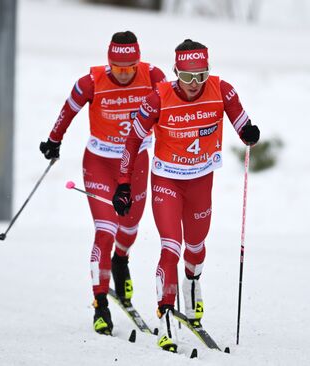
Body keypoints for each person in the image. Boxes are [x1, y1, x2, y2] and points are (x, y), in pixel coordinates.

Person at [112, 39, 260, 352]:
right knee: (171, 247)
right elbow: (133, 138)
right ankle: (166, 313)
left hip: (200, 181)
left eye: (201, 76)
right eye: (187, 77)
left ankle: (191, 287)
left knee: (196, 247)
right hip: (167, 181)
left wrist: (249, 132)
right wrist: (124, 181)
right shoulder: (158, 97)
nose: (194, 85)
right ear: (175, 72)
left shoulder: (222, 89)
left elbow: (240, 119)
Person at [39, 31, 166, 336]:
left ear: (138, 62)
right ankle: (100, 305)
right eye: (118, 68)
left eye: (129, 68)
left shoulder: (152, 76)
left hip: (136, 161)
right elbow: (67, 111)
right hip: (99, 162)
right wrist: (54, 140)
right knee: (106, 228)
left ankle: (120, 261)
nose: (124, 74)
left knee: (130, 226)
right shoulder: (92, 82)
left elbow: (174, 108)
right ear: (109, 63)